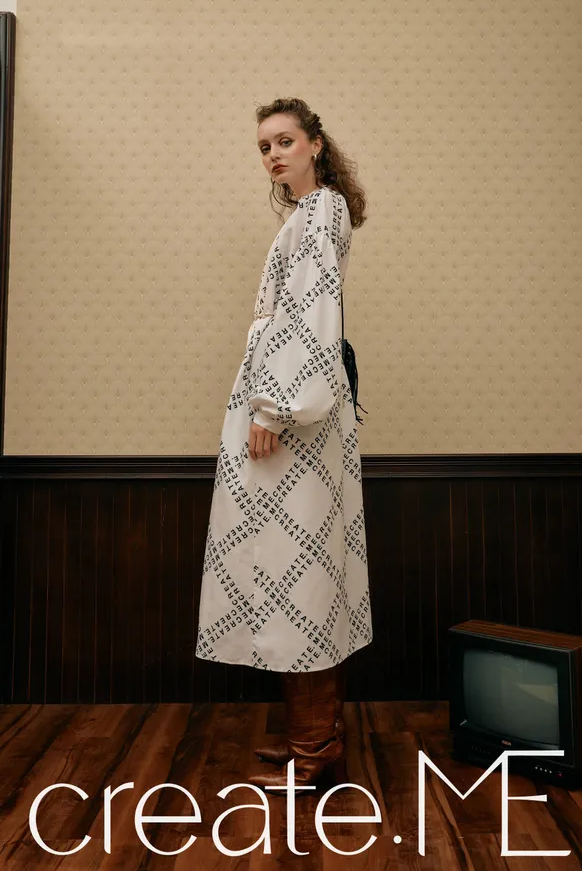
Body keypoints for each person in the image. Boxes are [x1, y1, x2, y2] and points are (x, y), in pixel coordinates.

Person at [195, 97, 373, 791]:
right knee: (287, 569)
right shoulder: (306, 214)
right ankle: (313, 737)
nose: (273, 154)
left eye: (285, 141)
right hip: (287, 407)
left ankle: (316, 747)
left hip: (296, 415)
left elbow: (310, 316)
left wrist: (275, 408)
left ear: (315, 145)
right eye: (264, 146)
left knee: (302, 572)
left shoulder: (322, 211)